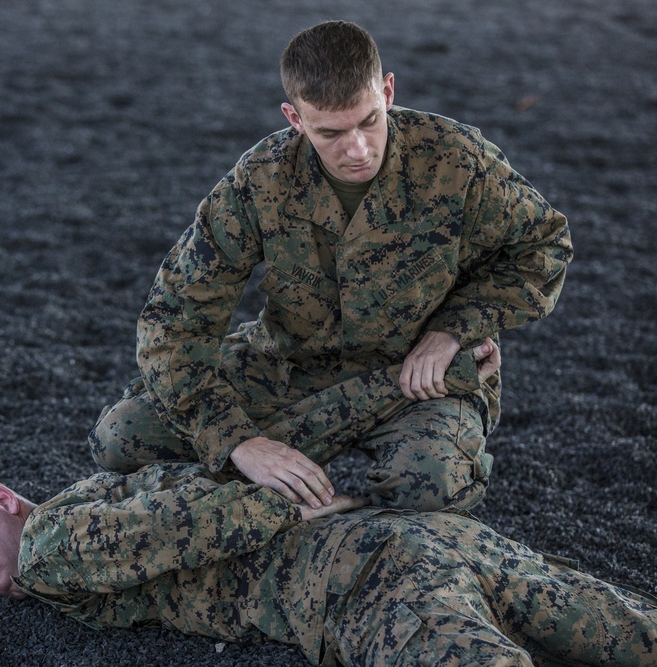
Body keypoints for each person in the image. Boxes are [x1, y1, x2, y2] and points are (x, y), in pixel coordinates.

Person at [89, 20, 573, 514]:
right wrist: (237, 442)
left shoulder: (454, 159)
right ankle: (319, 508)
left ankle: (327, 513)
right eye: (331, 132)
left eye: (368, 121)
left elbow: (544, 246)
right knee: (121, 439)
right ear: (294, 119)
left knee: (430, 487)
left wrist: (454, 331)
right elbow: (174, 320)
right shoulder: (261, 180)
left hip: (416, 380)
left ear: (387, 91)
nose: (358, 149)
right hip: (292, 366)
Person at [0, 464, 656, 666]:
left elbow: (188, 525)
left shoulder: (49, 547)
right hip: (422, 534)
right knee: (630, 629)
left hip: (359, 584)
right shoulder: (104, 488)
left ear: (4, 500)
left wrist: (299, 506)